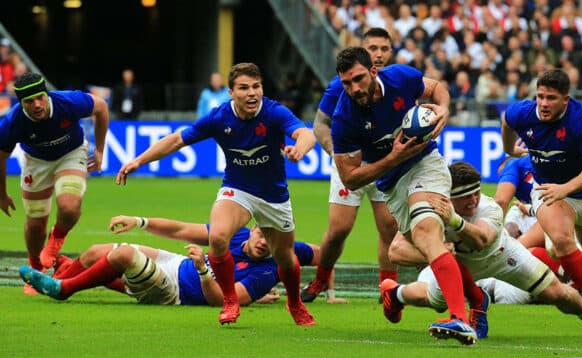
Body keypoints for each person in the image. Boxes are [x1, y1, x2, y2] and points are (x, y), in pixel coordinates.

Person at [115, 63, 317, 326]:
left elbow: (305, 133)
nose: (251, 93)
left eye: (256, 86)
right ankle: (230, 300)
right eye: (244, 88)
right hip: (238, 189)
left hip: (273, 196)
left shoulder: (273, 112)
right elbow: (176, 140)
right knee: (219, 237)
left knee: (285, 258)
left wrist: (299, 149)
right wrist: (138, 161)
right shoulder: (219, 117)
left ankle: (295, 304)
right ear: (231, 92)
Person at [330, 46, 478, 342]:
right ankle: (395, 295)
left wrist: (444, 109)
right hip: (392, 184)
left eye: (359, 79)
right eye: (347, 83)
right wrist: (393, 158)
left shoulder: (401, 77)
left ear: (374, 70)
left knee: (426, 231)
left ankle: (460, 318)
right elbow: (351, 178)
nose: (354, 88)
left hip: (427, 164)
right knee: (419, 245)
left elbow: (437, 88)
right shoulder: (344, 119)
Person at [384, 162, 582, 337]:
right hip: (457, 267)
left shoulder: (488, 208)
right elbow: (395, 251)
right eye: (465, 197)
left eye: (476, 193)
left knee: (556, 292)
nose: (473, 201)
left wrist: (455, 222)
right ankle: (395, 295)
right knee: (434, 301)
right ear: (448, 198)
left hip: (501, 255)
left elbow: (482, 239)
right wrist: (433, 251)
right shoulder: (432, 209)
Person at [19, 214, 325, 306]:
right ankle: (59, 279)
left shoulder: (266, 271)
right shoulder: (233, 233)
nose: (265, 245)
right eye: (262, 235)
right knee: (95, 252)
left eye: (273, 242)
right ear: (254, 227)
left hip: (177, 291)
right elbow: (180, 229)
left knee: (125, 255)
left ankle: (63, 289)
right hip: (176, 264)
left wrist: (204, 270)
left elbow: (221, 301)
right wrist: (139, 222)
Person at [501, 69, 582, 310]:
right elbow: (507, 121)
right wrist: (509, 149)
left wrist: (566, 188)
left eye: (551, 98)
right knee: (562, 241)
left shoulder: (581, 122)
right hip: (547, 190)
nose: (543, 103)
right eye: (540, 96)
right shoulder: (523, 113)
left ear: (565, 99)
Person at [301, 27, 398, 303]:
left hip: (382, 165)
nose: (378, 54)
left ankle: (388, 288)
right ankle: (321, 278)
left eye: (383, 49)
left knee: (389, 228)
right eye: (372, 48)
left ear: (390, 52)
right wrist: (336, 152)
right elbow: (320, 124)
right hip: (350, 165)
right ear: (363, 50)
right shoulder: (340, 86)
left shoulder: (396, 82)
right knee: (340, 229)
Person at [0, 72, 109, 280]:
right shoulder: (13, 122)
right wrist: (2, 194)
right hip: (36, 162)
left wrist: (100, 150)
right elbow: (0, 158)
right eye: (29, 101)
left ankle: (55, 241)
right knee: (35, 224)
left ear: (46, 94)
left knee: (69, 207)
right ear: (21, 103)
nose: (37, 104)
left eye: (40, 97)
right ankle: (36, 270)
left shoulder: (68, 102)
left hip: (72, 153)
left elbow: (101, 108)